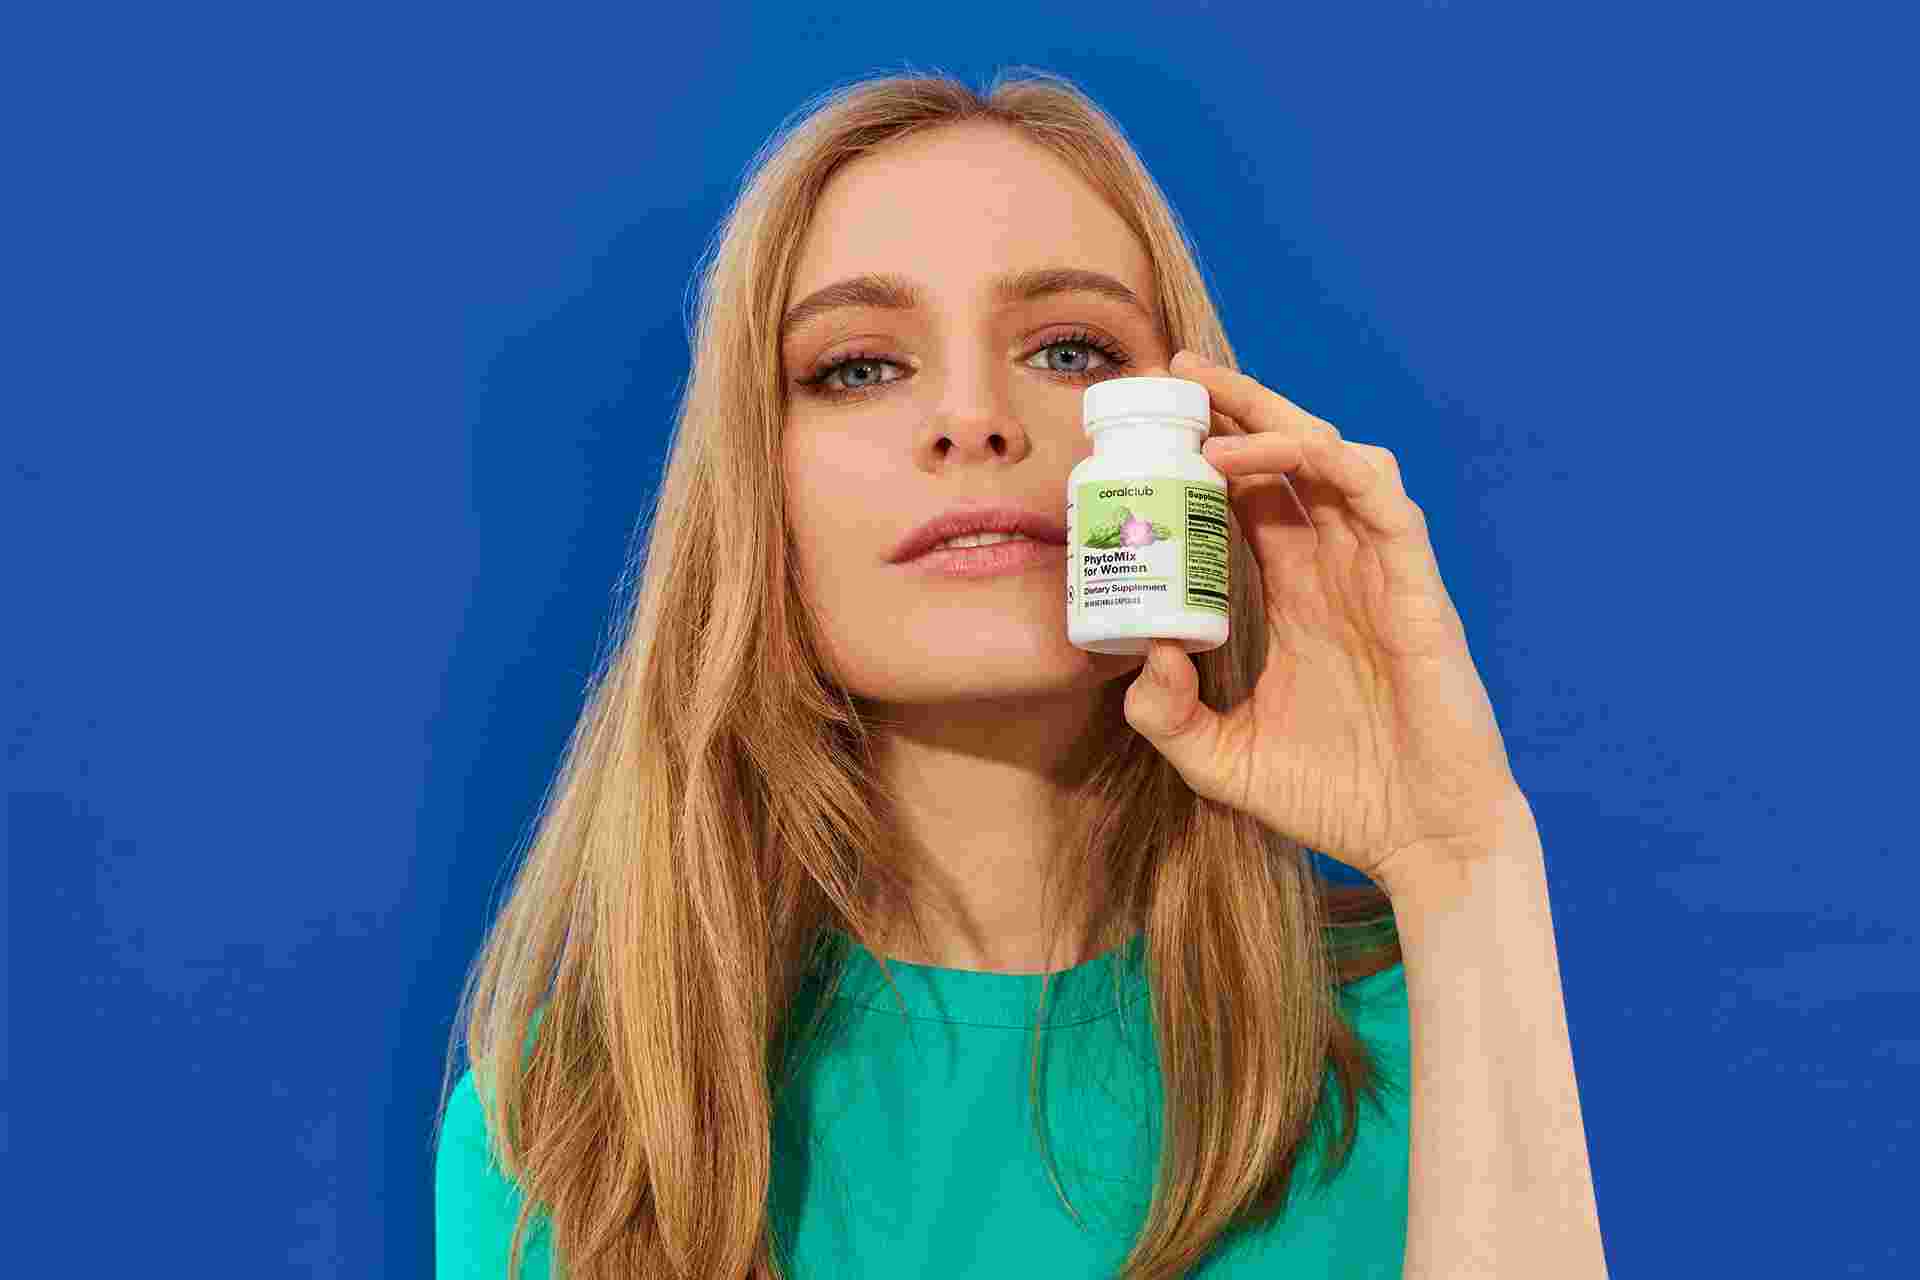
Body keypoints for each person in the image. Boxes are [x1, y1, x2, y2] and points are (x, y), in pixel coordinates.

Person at [432, 68, 1606, 1280]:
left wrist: (1462, 856)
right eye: (858, 366)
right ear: (753, 494)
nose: (975, 418)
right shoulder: (568, 1132)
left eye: (1069, 349)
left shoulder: (1434, 1036)